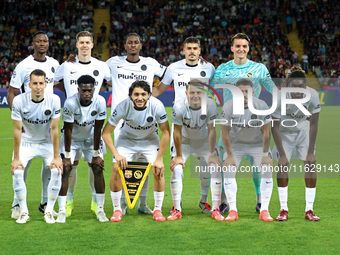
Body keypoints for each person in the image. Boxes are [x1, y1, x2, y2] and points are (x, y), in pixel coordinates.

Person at [212, 33, 277, 213]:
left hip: (254, 124)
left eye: (244, 46)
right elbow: (211, 88)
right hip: (231, 124)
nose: (241, 49)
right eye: (237, 46)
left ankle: (259, 201)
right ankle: (224, 201)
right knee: (224, 164)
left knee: (258, 166)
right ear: (231, 48)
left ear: (249, 48)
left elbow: (272, 89)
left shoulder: (259, 68)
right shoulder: (222, 69)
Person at [152, 36, 216, 214]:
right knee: (177, 167)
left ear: (200, 50)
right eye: (189, 48)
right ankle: (176, 207)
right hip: (181, 123)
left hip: (202, 125)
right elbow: (158, 90)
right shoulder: (174, 68)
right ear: (184, 50)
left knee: (207, 168)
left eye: (195, 48)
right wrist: (138, 96)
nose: (192, 51)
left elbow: (219, 90)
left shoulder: (209, 68)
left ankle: (204, 202)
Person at [106, 32, 166, 215]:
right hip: (121, 122)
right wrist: (73, 60)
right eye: (129, 43)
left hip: (146, 121)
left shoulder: (151, 63)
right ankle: (122, 204)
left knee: (146, 167)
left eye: (136, 43)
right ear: (125, 45)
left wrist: (153, 93)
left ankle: (143, 204)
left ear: (141, 45)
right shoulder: (112, 63)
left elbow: (168, 75)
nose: (133, 45)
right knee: (121, 166)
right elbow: (92, 69)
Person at [54, 30, 111, 217]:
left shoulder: (102, 66)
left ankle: (96, 203)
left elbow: (113, 81)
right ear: (76, 45)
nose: (85, 45)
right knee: (71, 165)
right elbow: (55, 83)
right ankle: (68, 201)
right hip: (72, 118)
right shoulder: (66, 65)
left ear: (92, 45)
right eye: (81, 42)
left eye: (88, 42)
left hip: (91, 121)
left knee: (95, 165)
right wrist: (70, 94)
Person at [7, 31, 60, 218]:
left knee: (50, 168)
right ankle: (16, 204)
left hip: (47, 123)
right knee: (22, 167)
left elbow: (60, 85)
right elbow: (12, 92)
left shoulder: (55, 64)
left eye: (45, 40)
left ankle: (46, 202)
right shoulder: (23, 66)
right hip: (29, 123)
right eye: (38, 41)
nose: (42, 43)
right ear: (33, 44)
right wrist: (19, 118)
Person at [102, 81, 170, 222]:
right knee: (117, 167)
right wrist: (117, 155)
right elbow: (106, 133)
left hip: (150, 140)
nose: (140, 98)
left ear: (149, 95)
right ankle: (117, 209)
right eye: (136, 94)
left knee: (157, 169)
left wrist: (159, 158)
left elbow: (166, 132)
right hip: (127, 140)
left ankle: (156, 209)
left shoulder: (157, 105)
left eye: (144, 94)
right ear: (130, 96)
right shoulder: (123, 106)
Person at [56, 75, 108, 223]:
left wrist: (96, 154)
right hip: (71, 140)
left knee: (97, 168)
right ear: (78, 89)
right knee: (66, 169)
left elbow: (98, 128)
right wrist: (66, 156)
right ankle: (61, 210)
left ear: (94, 89)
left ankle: (100, 209)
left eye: (89, 91)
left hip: (91, 139)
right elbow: (68, 130)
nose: (86, 94)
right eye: (83, 90)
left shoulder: (100, 102)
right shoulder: (70, 103)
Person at [220, 78, 274, 222]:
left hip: (257, 144)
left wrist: (265, 154)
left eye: (247, 91)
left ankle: (264, 210)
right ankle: (233, 210)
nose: (244, 94)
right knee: (228, 169)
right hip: (236, 145)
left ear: (253, 92)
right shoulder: (228, 106)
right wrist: (230, 156)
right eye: (240, 91)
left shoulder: (261, 105)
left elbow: (267, 132)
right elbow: (224, 133)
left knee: (267, 168)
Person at [167, 81, 222, 221]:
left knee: (214, 168)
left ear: (204, 93)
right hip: (184, 142)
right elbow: (177, 132)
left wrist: (211, 154)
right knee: (177, 169)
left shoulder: (210, 105)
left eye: (199, 92)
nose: (195, 95)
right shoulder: (179, 106)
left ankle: (212, 207)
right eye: (192, 92)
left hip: (204, 142)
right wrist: (178, 156)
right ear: (186, 93)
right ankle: (176, 208)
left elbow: (212, 130)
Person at [272, 67, 321, 221]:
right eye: (295, 87)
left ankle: (309, 210)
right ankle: (283, 209)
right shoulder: (279, 98)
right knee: (282, 166)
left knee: (310, 164)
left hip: (303, 129)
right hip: (284, 131)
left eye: (302, 87)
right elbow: (275, 126)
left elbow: (314, 124)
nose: (299, 91)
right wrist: (281, 154)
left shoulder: (313, 95)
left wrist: (311, 151)